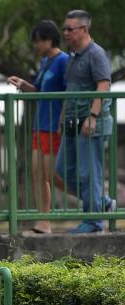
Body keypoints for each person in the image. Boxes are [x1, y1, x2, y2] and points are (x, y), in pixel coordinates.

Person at [7, 20, 69, 234]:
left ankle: (91, 199)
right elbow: (39, 90)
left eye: (39, 41)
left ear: (50, 40)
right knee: (36, 173)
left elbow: (69, 93)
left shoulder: (63, 61)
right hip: (39, 124)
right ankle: (44, 220)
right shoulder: (45, 63)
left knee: (52, 173)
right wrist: (23, 85)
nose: (36, 45)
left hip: (53, 125)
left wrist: (62, 120)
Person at [55, 9, 114, 234]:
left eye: (71, 29)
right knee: (63, 169)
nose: (66, 33)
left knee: (89, 173)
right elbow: (68, 91)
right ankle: (102, 203)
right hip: (71, 123)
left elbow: (103, 85)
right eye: (65, 29)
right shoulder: (73, 57)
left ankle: (94, 221)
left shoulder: (96, 54)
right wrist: (62, 119)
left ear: (85, 29)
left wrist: (93, 116)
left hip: (91, 125)